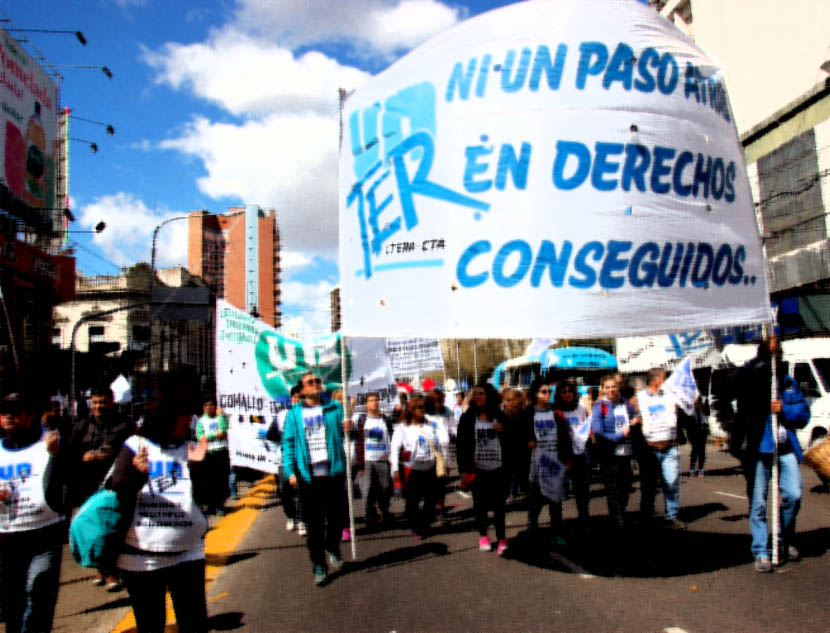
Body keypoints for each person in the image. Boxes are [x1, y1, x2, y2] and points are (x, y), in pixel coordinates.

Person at [110, 377, 209, 633]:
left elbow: (206, 495)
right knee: (151, 624)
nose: (189, 424)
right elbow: (117, 489)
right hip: (142, 559)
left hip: (188, 553)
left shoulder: (188, 447)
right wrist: (138, 474)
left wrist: (201, 465)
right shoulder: (136, 446)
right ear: (167, 418)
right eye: (184, 419)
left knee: (195, 623)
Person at [727, 336, 811, 572]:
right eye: (770, 354)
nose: (775, 358)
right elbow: (732, 382)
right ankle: (762, 550)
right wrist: (754, 369)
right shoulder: (750, 379)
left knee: (793, 495)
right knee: (759, 502)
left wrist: (784, 408)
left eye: (778, 354)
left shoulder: (788, 384)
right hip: (758, 449)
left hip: (785, 450)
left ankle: (781, 539)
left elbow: (803, 415)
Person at [0, 391, 65, 633]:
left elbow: (71, 480)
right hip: (7, 538)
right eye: (4, 412)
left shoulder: (49, 443)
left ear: (29, 417)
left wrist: (57, 456)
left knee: (38, 597)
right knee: (12, 605)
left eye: (15, 412)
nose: (9, 416)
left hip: (44, 535)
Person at [281, 371, 350, 586]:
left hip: (333, 472)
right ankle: (319, 564)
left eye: (318, 381)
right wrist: (290, 471)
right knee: (314, 525)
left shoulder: (335, 409)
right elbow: (289, 444)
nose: (316, 384)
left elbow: (347, 434)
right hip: (308, 477)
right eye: (310, 382)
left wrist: (349, 427)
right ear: (302, 390)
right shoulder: (293, 415)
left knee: (337, 518)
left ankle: (333, 546)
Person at [64, 383, 134, 590]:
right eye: (95, 403)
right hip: (87, 487)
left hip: (114, 485)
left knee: (111, 527)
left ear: (111, 402)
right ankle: (102, 568)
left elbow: (133, 447)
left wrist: (115, 454)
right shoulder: (81, 426)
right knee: (94, 528)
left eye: (102, 402)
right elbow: (68, 453)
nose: (99, 406)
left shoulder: (124, 425)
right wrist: (82, 456)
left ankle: (111, 571)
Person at [457, 383, 510, 555]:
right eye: (475, 394)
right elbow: (461, 445)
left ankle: (502, 539)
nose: (478, 397)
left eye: (481, 394)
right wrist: (463, 470)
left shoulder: (499, 415)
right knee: (480, 505)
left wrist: (503, 430)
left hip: (498, 468)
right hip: (477, 469)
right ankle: (483, 536)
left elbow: (511, 438)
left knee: (499, 506)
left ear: (489, 396)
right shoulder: (468, 417)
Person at [523, 378, 573, 546]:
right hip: (536, 464)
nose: (547, 395)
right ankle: (532, 529)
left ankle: (557, 532)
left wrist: (567, 459)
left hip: (555, 462)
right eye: (544, 392)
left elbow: (565, 437)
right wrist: (528, 441)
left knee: (556, 501)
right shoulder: (529, 412)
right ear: (536, 394)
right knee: (535, 501)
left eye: (549, 392)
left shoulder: (556, 412)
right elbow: (519, 435)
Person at [390, 395, 448, 540]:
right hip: (413, 469)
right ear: (412, 409)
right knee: (412, 503)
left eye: (424, 407)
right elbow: (395, 448)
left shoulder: (430, 425)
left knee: (431, 500)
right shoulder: (403, 428)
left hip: (431, 468)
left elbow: (440, 444)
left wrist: (443, 463)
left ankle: (424, 523)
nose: (423, 410)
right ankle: (416, 526)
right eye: (419, 407)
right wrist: (395, 469)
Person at [634, 368, 682, 528]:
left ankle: (672, 516)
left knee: (672, 482)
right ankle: (646, 515)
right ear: (656, 381)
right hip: (649, 449)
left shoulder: (671, 396)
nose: (667, 381)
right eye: (665, 378)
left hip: (669, 446)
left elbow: (687, 408)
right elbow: (628, 416)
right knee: (648, 485)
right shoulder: (638, 399)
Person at [592, 375, 639, 531]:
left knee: (625, 488)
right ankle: (617, 520)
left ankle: (621, 513)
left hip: (627, 453)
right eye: (608, 387)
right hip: (609, 455)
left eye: (614, 386)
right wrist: (620, 435)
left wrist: (635, 422)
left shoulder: (626, 404)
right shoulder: (600, 406)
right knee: (613, 490)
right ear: (603, 389)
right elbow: (598, 432)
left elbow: (633, 421)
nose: (611, 390)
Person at [553, 378, 591, 531]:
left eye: (570, 391)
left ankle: (584, 520)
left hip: (580, 454)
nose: (567, 394)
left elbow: (586, 425)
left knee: (582, 490)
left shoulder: (580, 408)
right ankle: (558, 526)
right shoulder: (556, 411)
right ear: (559, 394)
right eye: (564, 392)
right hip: (563, 456)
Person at [267, 385, 304, 534]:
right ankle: (291, 516)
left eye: (300, 397)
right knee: (284, 491)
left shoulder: (308, 414)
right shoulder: (281, 415)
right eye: (294, 397)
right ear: (291, 399)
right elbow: (270, 434)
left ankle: (302, 520)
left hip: (302, 460)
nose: (297, 400)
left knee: (303, 491)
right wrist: (285, 437)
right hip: (284, 460)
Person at [353, 392, 394, 526]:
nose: (374, 403)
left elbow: (391, 439)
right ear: (366, 404)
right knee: (367, 490)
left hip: (383, 460)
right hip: (367, 461)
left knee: (386, 488)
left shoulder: (385, 420)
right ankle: (369, 515)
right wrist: (360, 464)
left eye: (376, 400)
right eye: (371, 400)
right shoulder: (362, 420)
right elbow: (359, 442)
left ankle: (385, 511)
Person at [194, 397, 230, 516]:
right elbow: (201, 437)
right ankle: (211, 505)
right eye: (206, 405)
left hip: (221, 451)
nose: (209, 407)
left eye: (211, 405)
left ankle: (220, 505)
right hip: (208, 454)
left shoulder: (221, 418)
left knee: (222, 480)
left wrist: (220, 418)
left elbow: (224, 431)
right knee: (209, 481)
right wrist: (215, 435)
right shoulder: (201, 421)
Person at [425, 389, 454, 522]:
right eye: (437, 401)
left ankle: (441, 508)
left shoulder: (447, 413)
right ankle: (430, 510)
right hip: (429, 454)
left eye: (441, 401)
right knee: (431, 485)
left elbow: (453, 428)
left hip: (444, 453)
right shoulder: (424, 414)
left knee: (441, 484)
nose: (439, 404)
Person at [501, 388, 528, 501]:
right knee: (518, 472)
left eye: (508, 400)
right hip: (519, 447)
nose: (505, 402)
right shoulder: (523, 412)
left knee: (511, 472)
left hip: (511, 447)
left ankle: (512, 493)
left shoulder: (510, 413)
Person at [687, 395, 709, 477]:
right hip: (694, 427)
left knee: (702, 449)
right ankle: (692, 467)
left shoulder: (704, 399)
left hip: (703, 427)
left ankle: (701, 468)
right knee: (695, 448)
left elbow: (708, 412)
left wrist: (701, 406)